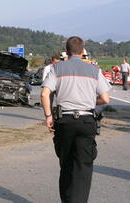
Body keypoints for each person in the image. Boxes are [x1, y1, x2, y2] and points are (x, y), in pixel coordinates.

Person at [41, 36, 111, 203]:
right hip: (87, 121)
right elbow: (106, 99)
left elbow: (45, 93)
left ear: (66, 51)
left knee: (66, 164)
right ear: (82, 51)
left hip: (64, 121)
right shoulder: (94, 70)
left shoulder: (57, 68)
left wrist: (48, 116)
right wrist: (88, 101)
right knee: (83, 166)